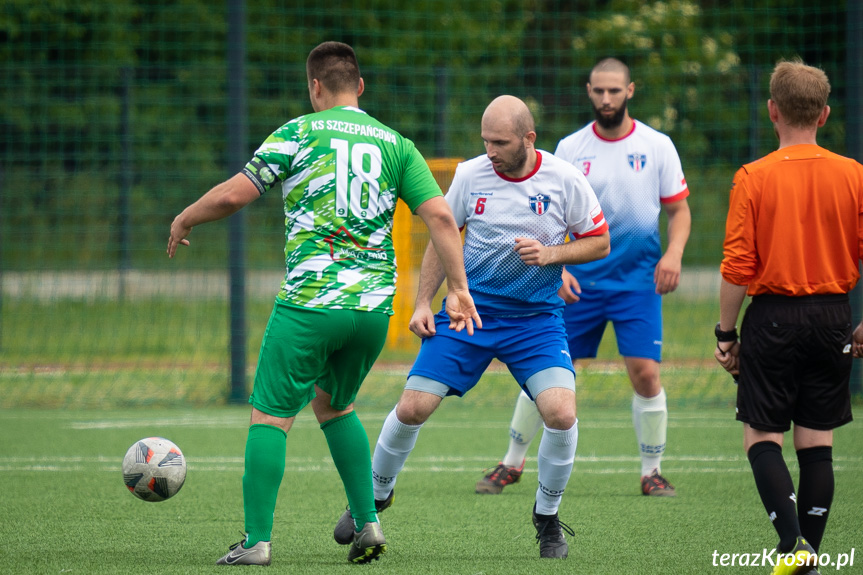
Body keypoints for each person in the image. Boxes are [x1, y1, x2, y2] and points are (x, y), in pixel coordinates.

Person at [167, 41, 481, 567]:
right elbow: (443, 220)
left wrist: (185, 218)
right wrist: (459, 288)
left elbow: (233, 196)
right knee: (335, 405)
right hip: (372, 311)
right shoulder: (396, 143)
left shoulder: (297, 133)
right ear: (359, 86)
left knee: (269, 417)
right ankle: (368, 523)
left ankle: (256, 542)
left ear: (315, 86)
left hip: (310, 304)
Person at [331, 94, 610, 559]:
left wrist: (553, 255)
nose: (491, 151)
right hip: (469, 315)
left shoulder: (565, 179)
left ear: (529, 138)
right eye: (485, 141)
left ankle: (547, 518)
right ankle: (373, 500)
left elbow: (599, 241)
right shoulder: (470, 173)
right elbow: (443, 234)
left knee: (561, 414)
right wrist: (423, 302)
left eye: (500, 142)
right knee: (412, 407)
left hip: (536, 321)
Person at [476, 57, 691, 498]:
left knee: (646, 374)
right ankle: (511, 463)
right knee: (547, 372)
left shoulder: (658, 145)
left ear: (630, 91)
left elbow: (679, 210)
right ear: (589, 91)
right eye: (599, 90)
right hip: (578, 287)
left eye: (615, 90)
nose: (607, 98)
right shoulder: (571, 148)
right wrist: (560, 270)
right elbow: (547, 216)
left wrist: (673, 254)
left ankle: (652, 472)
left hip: (637, 283)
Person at [715, 59, 863, 575]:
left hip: (773, 318)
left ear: (772, 110)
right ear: (824, 115)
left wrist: (726, 334)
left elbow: (737, 266)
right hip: (834, 318)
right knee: (817, 440)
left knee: (762, 435)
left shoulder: (753, 177)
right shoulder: (854, 175)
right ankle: (811, 557)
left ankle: (792, 545)